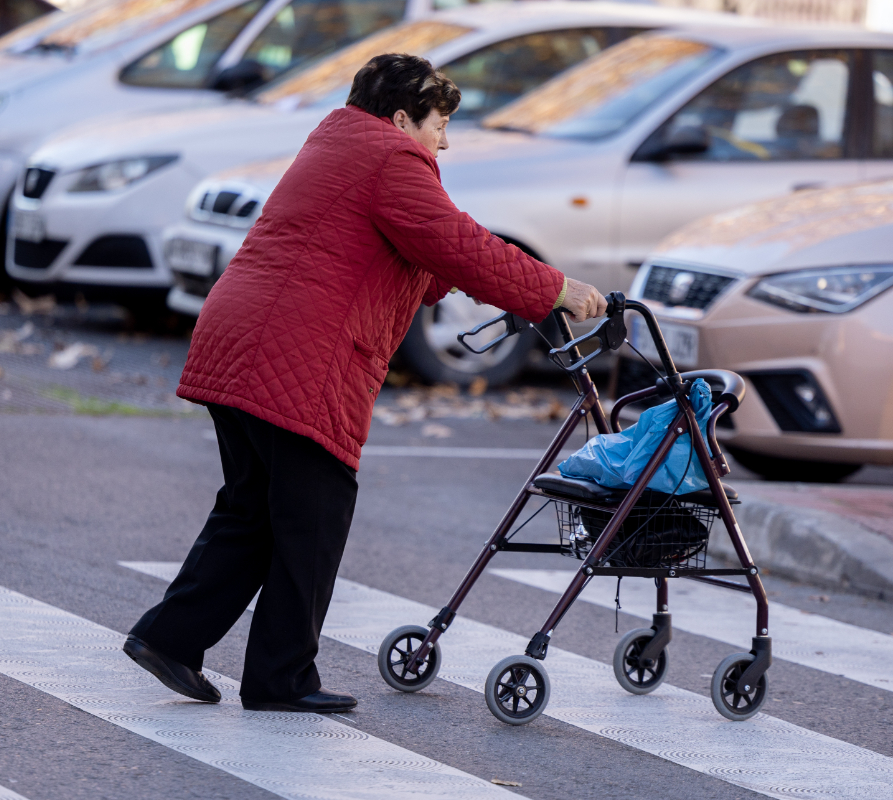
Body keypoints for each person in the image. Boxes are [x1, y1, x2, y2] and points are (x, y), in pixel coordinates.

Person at [123, 53, 607, 713]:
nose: (446, 140)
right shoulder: (390, 158)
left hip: (238, 337)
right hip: (300, 353)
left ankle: (170, 640)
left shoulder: (339, 142)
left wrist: (484, 272)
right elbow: (456, 245)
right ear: (403, 116)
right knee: (312, 517)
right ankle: (280, 678)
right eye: (440, 125)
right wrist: (555, 288)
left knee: (253, 510)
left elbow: (428, 257)